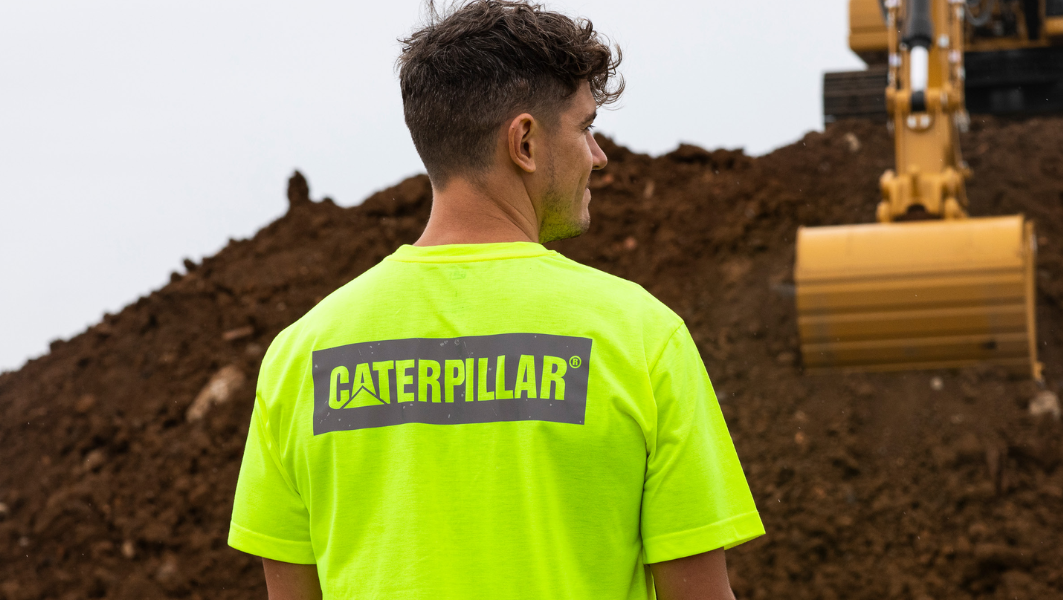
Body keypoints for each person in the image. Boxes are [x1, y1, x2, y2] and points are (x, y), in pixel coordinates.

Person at [227, 2, 763, 598]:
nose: (600, 155)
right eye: (585, 127)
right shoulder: (642, 338)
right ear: (525, 141)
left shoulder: (302, 357)